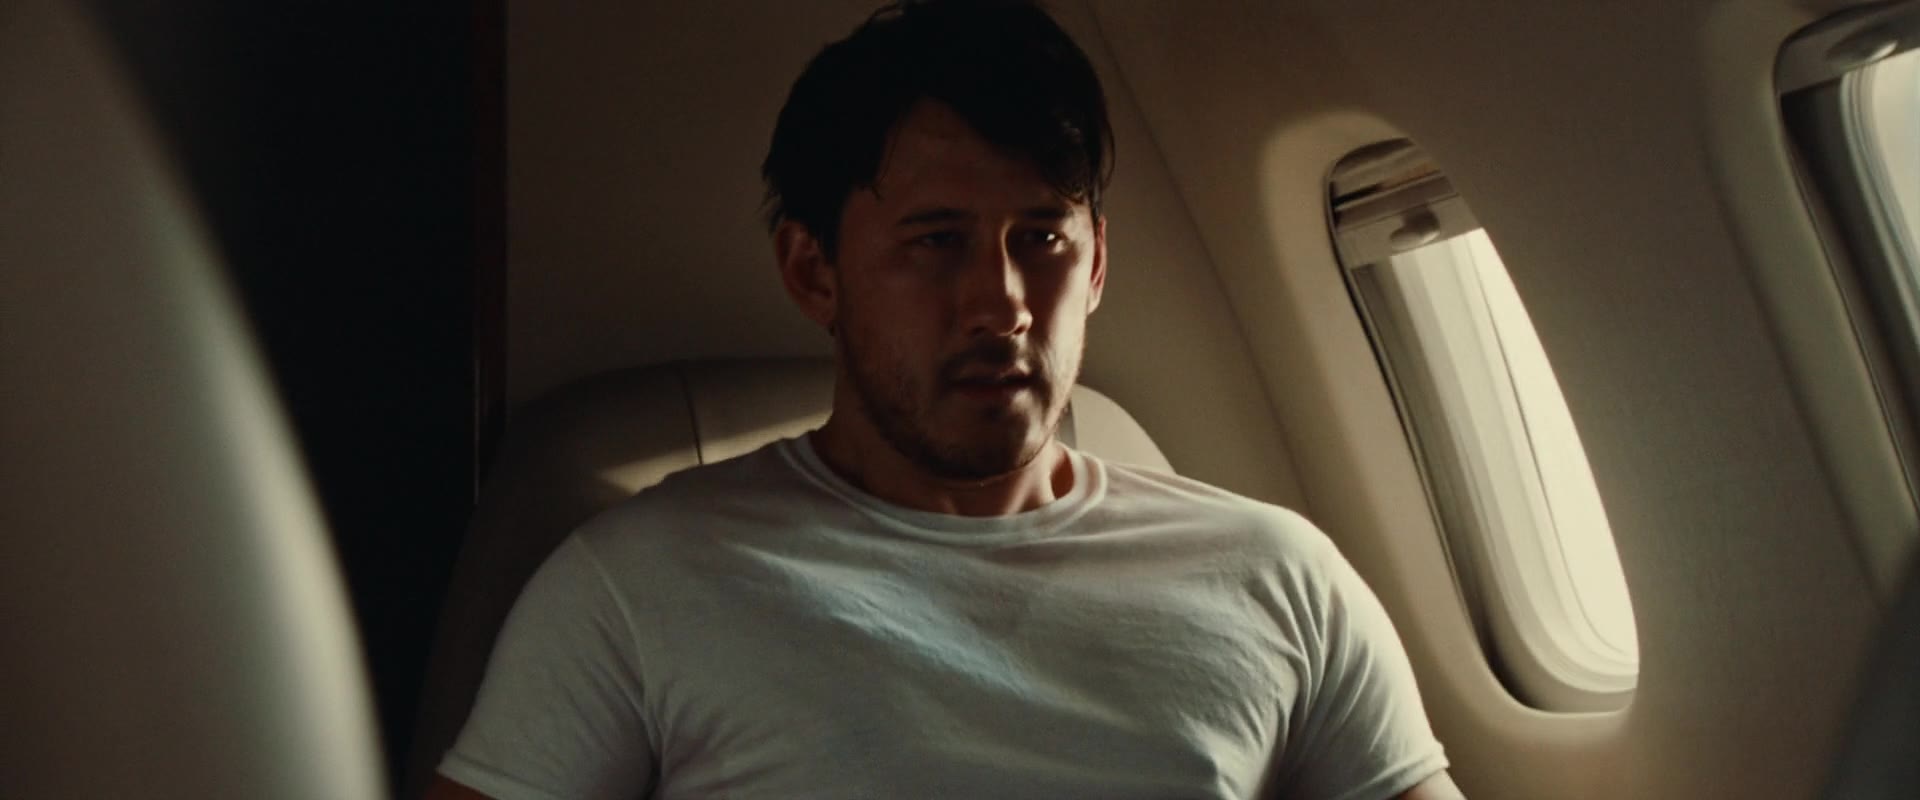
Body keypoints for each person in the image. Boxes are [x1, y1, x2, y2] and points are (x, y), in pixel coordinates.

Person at [429, 1, 1462, 797]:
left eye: (1041, 239)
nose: (1001, 302)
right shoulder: (642, 583)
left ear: (1097, 265)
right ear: (814, 272)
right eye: (937, 241)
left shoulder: (1282, 578)